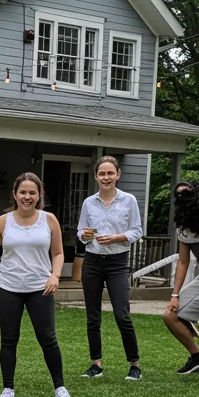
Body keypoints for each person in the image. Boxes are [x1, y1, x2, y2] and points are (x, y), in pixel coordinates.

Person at [0, 172, 81, 397]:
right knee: (9, 340)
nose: (27, 197)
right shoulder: (3, 222)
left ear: (39, 194)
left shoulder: (49, 220)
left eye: (32, 192)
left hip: (39, 289)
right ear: (15, 194)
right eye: (23, 192)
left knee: (48, 339)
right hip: (9, 287)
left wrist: (55, 275)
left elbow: (59, 253)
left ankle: (60, 388)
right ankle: (7, 389)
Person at [77, 156, 143, 380]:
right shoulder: (88, 203)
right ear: (96, 177)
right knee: (92, 317)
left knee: (122, 314)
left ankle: (134, 364)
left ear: (118, 175)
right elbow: (81, 232)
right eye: (102, 174)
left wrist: (116, 237)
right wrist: (84, 235)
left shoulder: (129, 200)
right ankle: (96, 364)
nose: (106, 177)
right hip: (92, 262)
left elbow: (136, 230)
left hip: (118, 262)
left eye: (110, 173)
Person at [163, 180, 199, 374]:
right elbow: (183, 262)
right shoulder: (183, 229)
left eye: (187, 192)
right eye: (178, 194)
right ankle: (197, 356)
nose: (182, 197)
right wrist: (175, 295)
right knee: (170, 315)